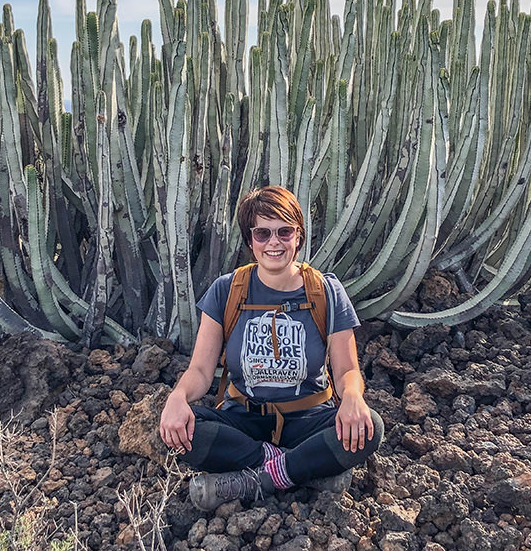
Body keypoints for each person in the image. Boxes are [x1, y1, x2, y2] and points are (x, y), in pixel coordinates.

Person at [159, 185, 383, 511]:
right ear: (250, 241)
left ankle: (259, 480)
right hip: (244, 422)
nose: (274, 242)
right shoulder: (227, 290)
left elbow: (347, 369)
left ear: (298, 237)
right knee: (177, 429)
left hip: (308, 420)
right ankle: (299, 469)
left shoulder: (326, 291)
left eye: (284, 231)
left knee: (369, 427)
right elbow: (201, 370)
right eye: (262, 233)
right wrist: (177, 398)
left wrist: (352, 397)